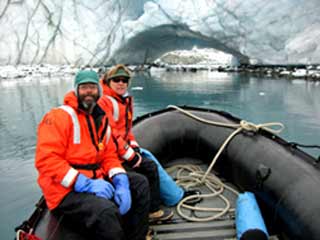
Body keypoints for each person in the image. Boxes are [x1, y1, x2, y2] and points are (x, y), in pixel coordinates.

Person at [35, 70, 150, 240]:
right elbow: (46, 159)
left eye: (92, 87)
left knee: (140, 184)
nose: (88, 91)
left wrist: (120, 179)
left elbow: (109, 155)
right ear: (76, 90)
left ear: (99, 91)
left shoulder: (100, 119)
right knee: (106, 212)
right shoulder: (58, 117)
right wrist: (84, 183)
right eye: (84, 87)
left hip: (95, 177)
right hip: (64, 190)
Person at [98, 64, 195, 222]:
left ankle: (171, 197)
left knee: (148, 160)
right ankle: (155, 209)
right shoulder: (104, 103)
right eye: (116, 80)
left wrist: (134, 146)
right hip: (112, 157)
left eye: (124, 80)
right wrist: (131, 156)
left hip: (120, 152)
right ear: (108, 82)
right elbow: (111, 134)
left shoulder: (123, 101)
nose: (121, 83)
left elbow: (127, 131)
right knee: (147, 168)